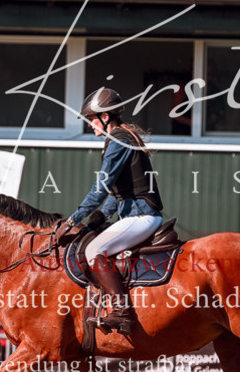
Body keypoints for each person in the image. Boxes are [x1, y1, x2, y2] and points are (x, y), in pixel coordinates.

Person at [56, 88, 164, 335]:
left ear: (105, 117)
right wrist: (102, 216)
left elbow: (101, 187)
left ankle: (122, 311)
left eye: (92, 120)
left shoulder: (118, 140)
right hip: (136, 213)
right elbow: (119, 191)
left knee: (94, 250)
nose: (89, 125)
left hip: (141, 216)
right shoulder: (121, 138)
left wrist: (74, 218)